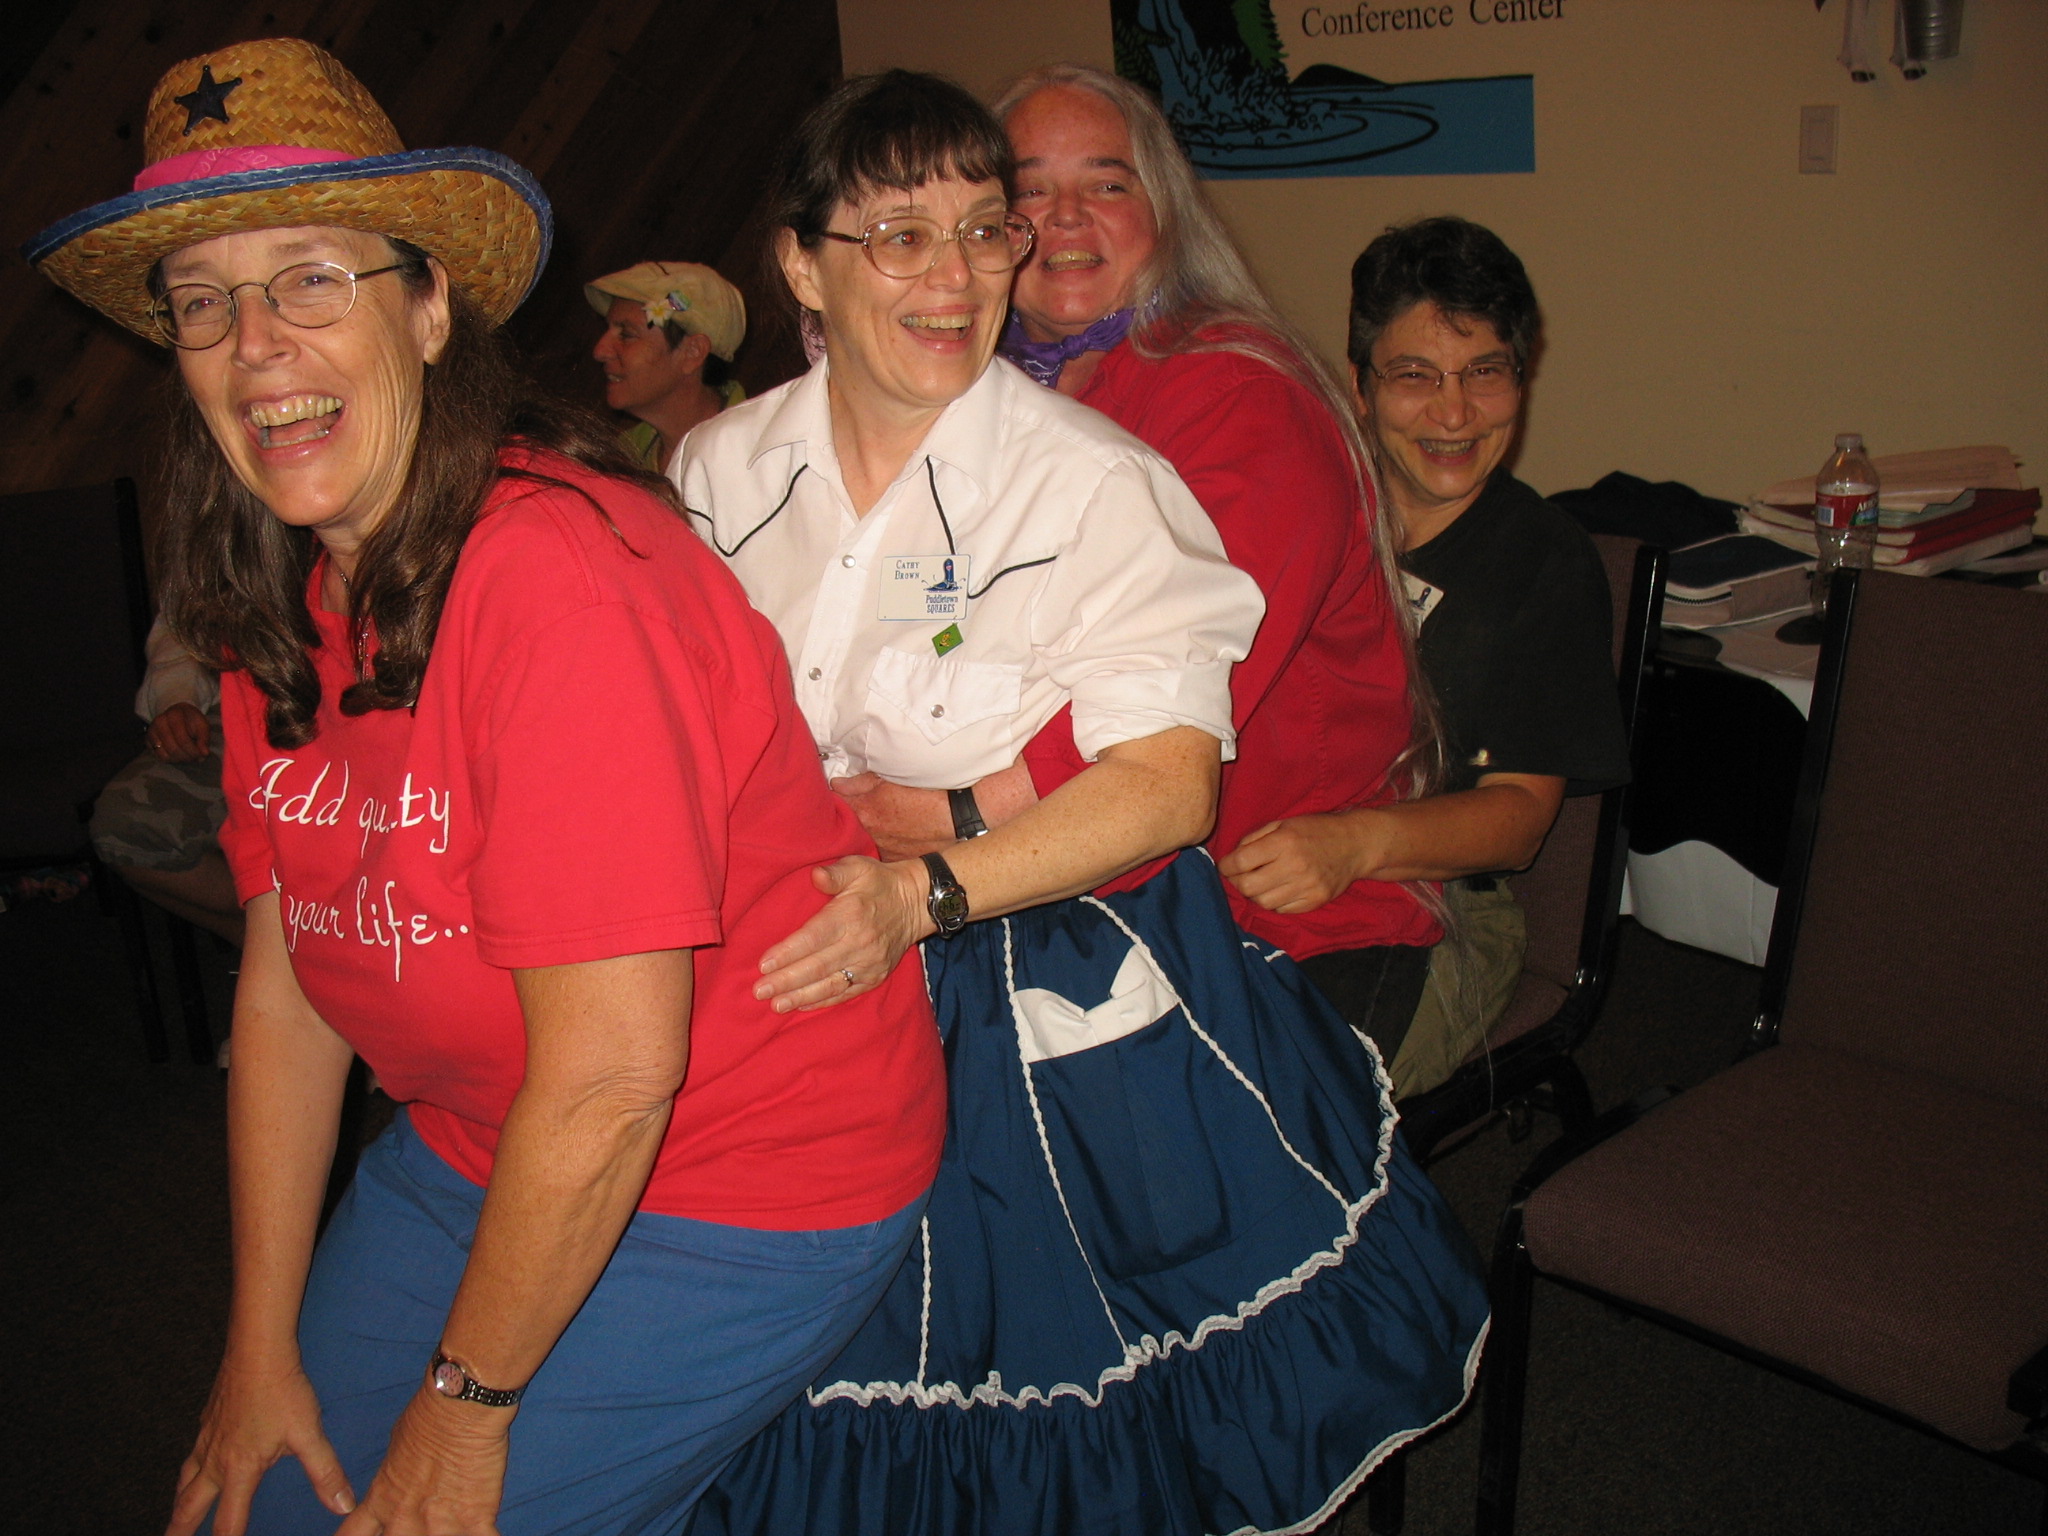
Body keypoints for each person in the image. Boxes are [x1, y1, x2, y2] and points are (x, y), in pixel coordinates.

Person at [28, 38, 943, 1536]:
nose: (255, 344)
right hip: (477, 1138)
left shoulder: (558, 583)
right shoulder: (277, 584)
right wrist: (255, 1341)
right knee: (263, 1502)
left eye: (312, 279)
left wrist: (462, 1416)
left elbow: (611, 1080)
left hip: (738, 1171)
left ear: (429, 306)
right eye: (203, 302)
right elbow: (293, 982)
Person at [674, 70, 1487, 1536]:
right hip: (807, 926)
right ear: (801, 263)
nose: (977, 263)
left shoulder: (1137, 450)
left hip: (1072, 923)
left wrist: (923, 853)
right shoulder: (727, 461)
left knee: (1032, 1353)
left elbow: (1151, 780)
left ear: (1161, 206)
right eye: (907, 234)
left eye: (987, 225)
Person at [1332, 216, 1630, 1095]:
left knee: (1287, 1100)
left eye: (1485, 373)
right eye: (1414, 375)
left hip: (1444, 906)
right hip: (1286, 865)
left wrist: (1351, 843)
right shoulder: (1313, 513)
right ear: (1360, 386)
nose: (1454, 413)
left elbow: (1520, 818)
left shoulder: (1543, 562)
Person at [90, 617, 244, 947]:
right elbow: (185, 628)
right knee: (125, 824)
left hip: (347, 704)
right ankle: (274, 943)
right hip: (256, 700)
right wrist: (178, 700)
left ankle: (318, 938)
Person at [587, 260, 747, 474]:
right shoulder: (621, 459)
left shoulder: (756, 452)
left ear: (693, 353)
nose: (600, 351)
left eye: (626, 335)